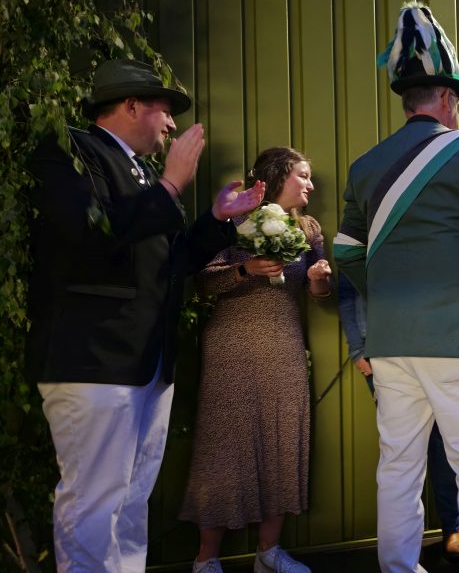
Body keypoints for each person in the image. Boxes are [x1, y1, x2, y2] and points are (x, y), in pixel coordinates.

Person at [26, 58, 264, 572]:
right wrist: (171, 187)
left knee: (133, 501)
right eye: (165, 110)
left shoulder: (143, 173)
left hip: (147, 364)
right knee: (93, 501)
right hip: (94, 361)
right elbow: (89, 234)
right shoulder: (69, 150)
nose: (173, 124)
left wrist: (217, 220)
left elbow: (170, 263)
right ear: (131, 105)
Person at [332, 3, 459, 572]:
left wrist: (383, 293)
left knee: (398, 468)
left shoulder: (364, 165)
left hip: (390, 342)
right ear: (449, 99)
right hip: (457, 333)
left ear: (408, 100)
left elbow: (344, 251)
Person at [179, 147, 331, 573]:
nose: (310, 184)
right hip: (232, 348)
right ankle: (205, 560)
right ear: (279, 176)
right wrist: (247, 270)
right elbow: (203, 284)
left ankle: (268, 553)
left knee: (283, 444)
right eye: (303, 175)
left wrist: (319, 280)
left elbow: (321, 296)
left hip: (284, 344)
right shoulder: (236, 222)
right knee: (223, 448)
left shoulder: (309, 228)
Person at [337, 274, 459, 561]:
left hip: (436, 345)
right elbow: (347, 293)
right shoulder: (357, 242)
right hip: (380, 350)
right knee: (401, 454)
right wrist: (357, 349)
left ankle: (453, 527)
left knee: (445, 442)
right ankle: (402, 557)